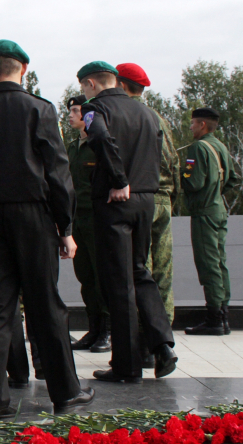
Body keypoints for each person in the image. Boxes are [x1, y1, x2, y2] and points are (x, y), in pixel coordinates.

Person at [0, 40, 92, 422]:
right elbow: (58, 173)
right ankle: (66, 392)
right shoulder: (39, 110)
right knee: (45, 303)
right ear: (23, 70)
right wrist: (65, 226)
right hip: (34, 216)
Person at [77, 61, 177, 382]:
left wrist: (119, 180)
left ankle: (126, 365)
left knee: (118, 283)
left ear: (91, 83)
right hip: (146, 200)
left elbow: (103, 140)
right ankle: (163, 346)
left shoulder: (96, 109)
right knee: (140, 273)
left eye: (82, 87)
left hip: (115, 199)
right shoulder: (147, 113)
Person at [117, 63, 181, 336]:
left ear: (120, 85)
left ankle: (146, 337)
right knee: (163, 270)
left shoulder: (125, 115)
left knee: (140, 269)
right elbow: (173, 162)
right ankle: (163, 335)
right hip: (163, 199)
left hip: (140, 198)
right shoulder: (158, 118)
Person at [181, 107, 239, 335]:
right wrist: (216, 191)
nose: (191, 127)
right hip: (218, 210)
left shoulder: (197, 147)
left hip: (204, 212)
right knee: (220, 262)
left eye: (193, 123)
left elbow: (192, 182)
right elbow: (233, 178)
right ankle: (223, 315)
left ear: (202, 124)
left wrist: (181, 174)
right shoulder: (220, 146)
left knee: (208, 265)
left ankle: (214, 319)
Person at [65, 94, 111, 353]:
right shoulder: (72, 147)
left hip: (97, 217)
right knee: (85, 276)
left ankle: (107, 330)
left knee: (101, 273)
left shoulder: (98, 142)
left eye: (75, 110)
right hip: (77, 217)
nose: (71, 115)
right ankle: (94, 328)